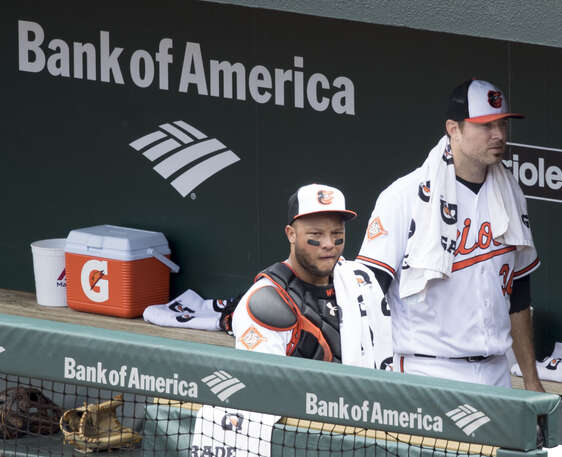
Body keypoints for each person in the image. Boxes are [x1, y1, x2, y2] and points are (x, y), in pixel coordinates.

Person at [356, 79, 544, 391]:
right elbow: (369, 294)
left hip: (497, 372)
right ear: (453, 129)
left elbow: (519, 295)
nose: (498, 135)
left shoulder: (510, 194)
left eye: (502, 124)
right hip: (426, 371)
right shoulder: (405, 197)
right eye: (485, 125)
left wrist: (531, 380)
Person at [193, 184, 392, 457]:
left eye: (337, 235)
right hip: (297, 439)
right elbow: (260, 392)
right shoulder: (267, 301)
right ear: (291, 233)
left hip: (365, 427)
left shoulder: (358, 282)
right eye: (316, 234)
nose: (328, 244)